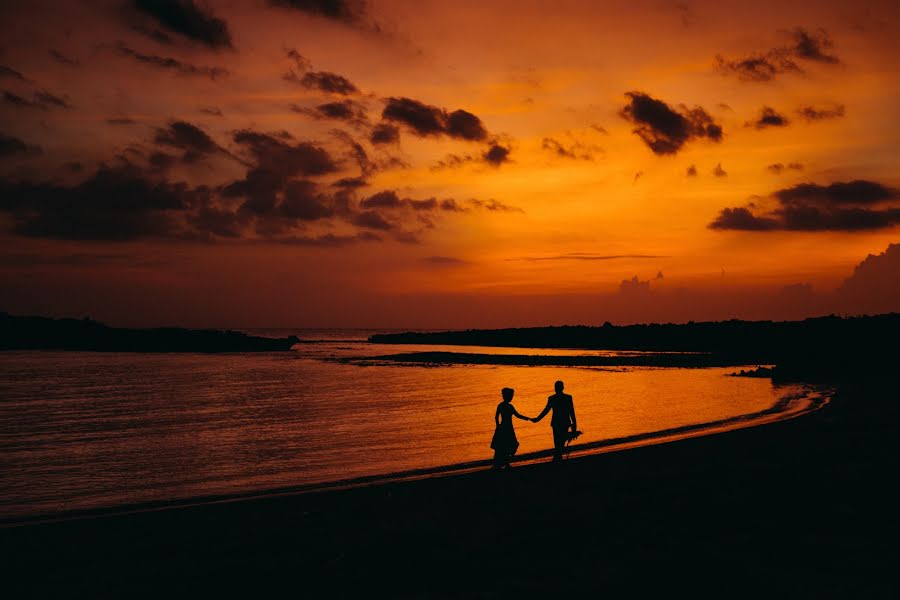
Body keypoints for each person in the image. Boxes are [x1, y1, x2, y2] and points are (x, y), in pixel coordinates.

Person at [532, 380, 577, 462]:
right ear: (562, 388)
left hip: (557, 423)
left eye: (556, 387)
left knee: (558, 442)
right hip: (564, 423)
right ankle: (558, 458)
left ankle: (557, 458)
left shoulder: (553, 398)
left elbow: (546, 411)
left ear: (556, 388)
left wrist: (537, 419)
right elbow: (572, 413)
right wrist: (574, 426)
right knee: (561, 442)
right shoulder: (567, 398)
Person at [490, 387, 530, 469]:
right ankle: (504, 463)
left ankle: (503, 463)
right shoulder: (508, 406)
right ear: (507, 396)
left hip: (504, 428)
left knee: (503, 446)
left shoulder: (502, 406)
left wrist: (498, 426)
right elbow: (517, 415)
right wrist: (528, 418)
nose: (512, 397)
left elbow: (496, 417)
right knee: (506, 445)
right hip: (507, 428)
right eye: (511, 396)